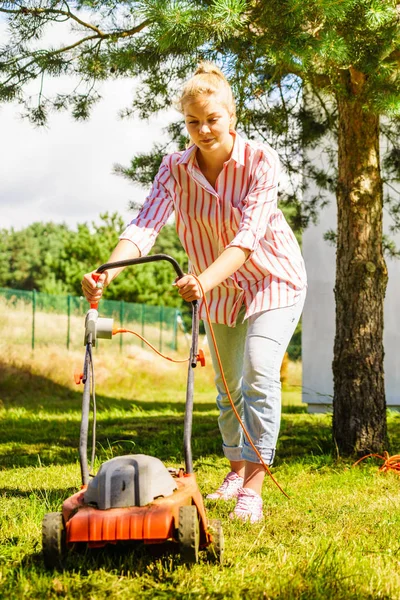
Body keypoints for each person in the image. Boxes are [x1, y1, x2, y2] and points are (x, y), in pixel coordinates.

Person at [82, 62, 307, 524]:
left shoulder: (260, 161)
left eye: (212, 119)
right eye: (192, 121)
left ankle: (252, 487)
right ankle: (234, 469)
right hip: (218, 289)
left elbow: (247, 238)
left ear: (232, 117)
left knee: (260, 371)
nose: (203, 130)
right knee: (228, 389)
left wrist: (203, 278)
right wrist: (109, 271)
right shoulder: (174, 168)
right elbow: (146, 223)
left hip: (272, 276)